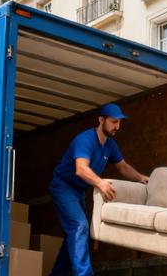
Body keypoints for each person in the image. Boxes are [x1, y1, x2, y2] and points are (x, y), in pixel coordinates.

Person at [48, 103, 150, 276]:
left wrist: (141, 178)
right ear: (101, 120)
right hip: (63, 187)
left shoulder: (110, 145)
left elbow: (123, 167)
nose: (117, 126)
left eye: (119, 123)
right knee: (79, 226)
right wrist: (100, 183)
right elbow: (80, 168)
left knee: (78, 233)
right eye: (113, 122)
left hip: (78, 191)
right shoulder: (85, 140)